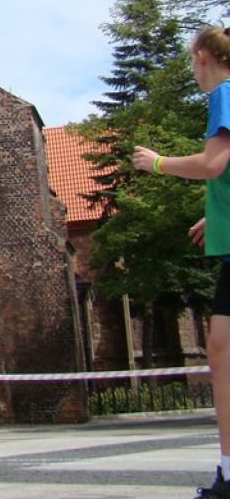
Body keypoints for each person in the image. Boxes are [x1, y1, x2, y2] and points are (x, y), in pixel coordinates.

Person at [131, 26, 230, 499]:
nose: (193, 69)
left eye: (193, 60)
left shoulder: (225, 93)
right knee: (220, 348)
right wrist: (213, 216)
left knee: (221, 350)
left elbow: (214, 164)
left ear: (206, 56)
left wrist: (157, 163)